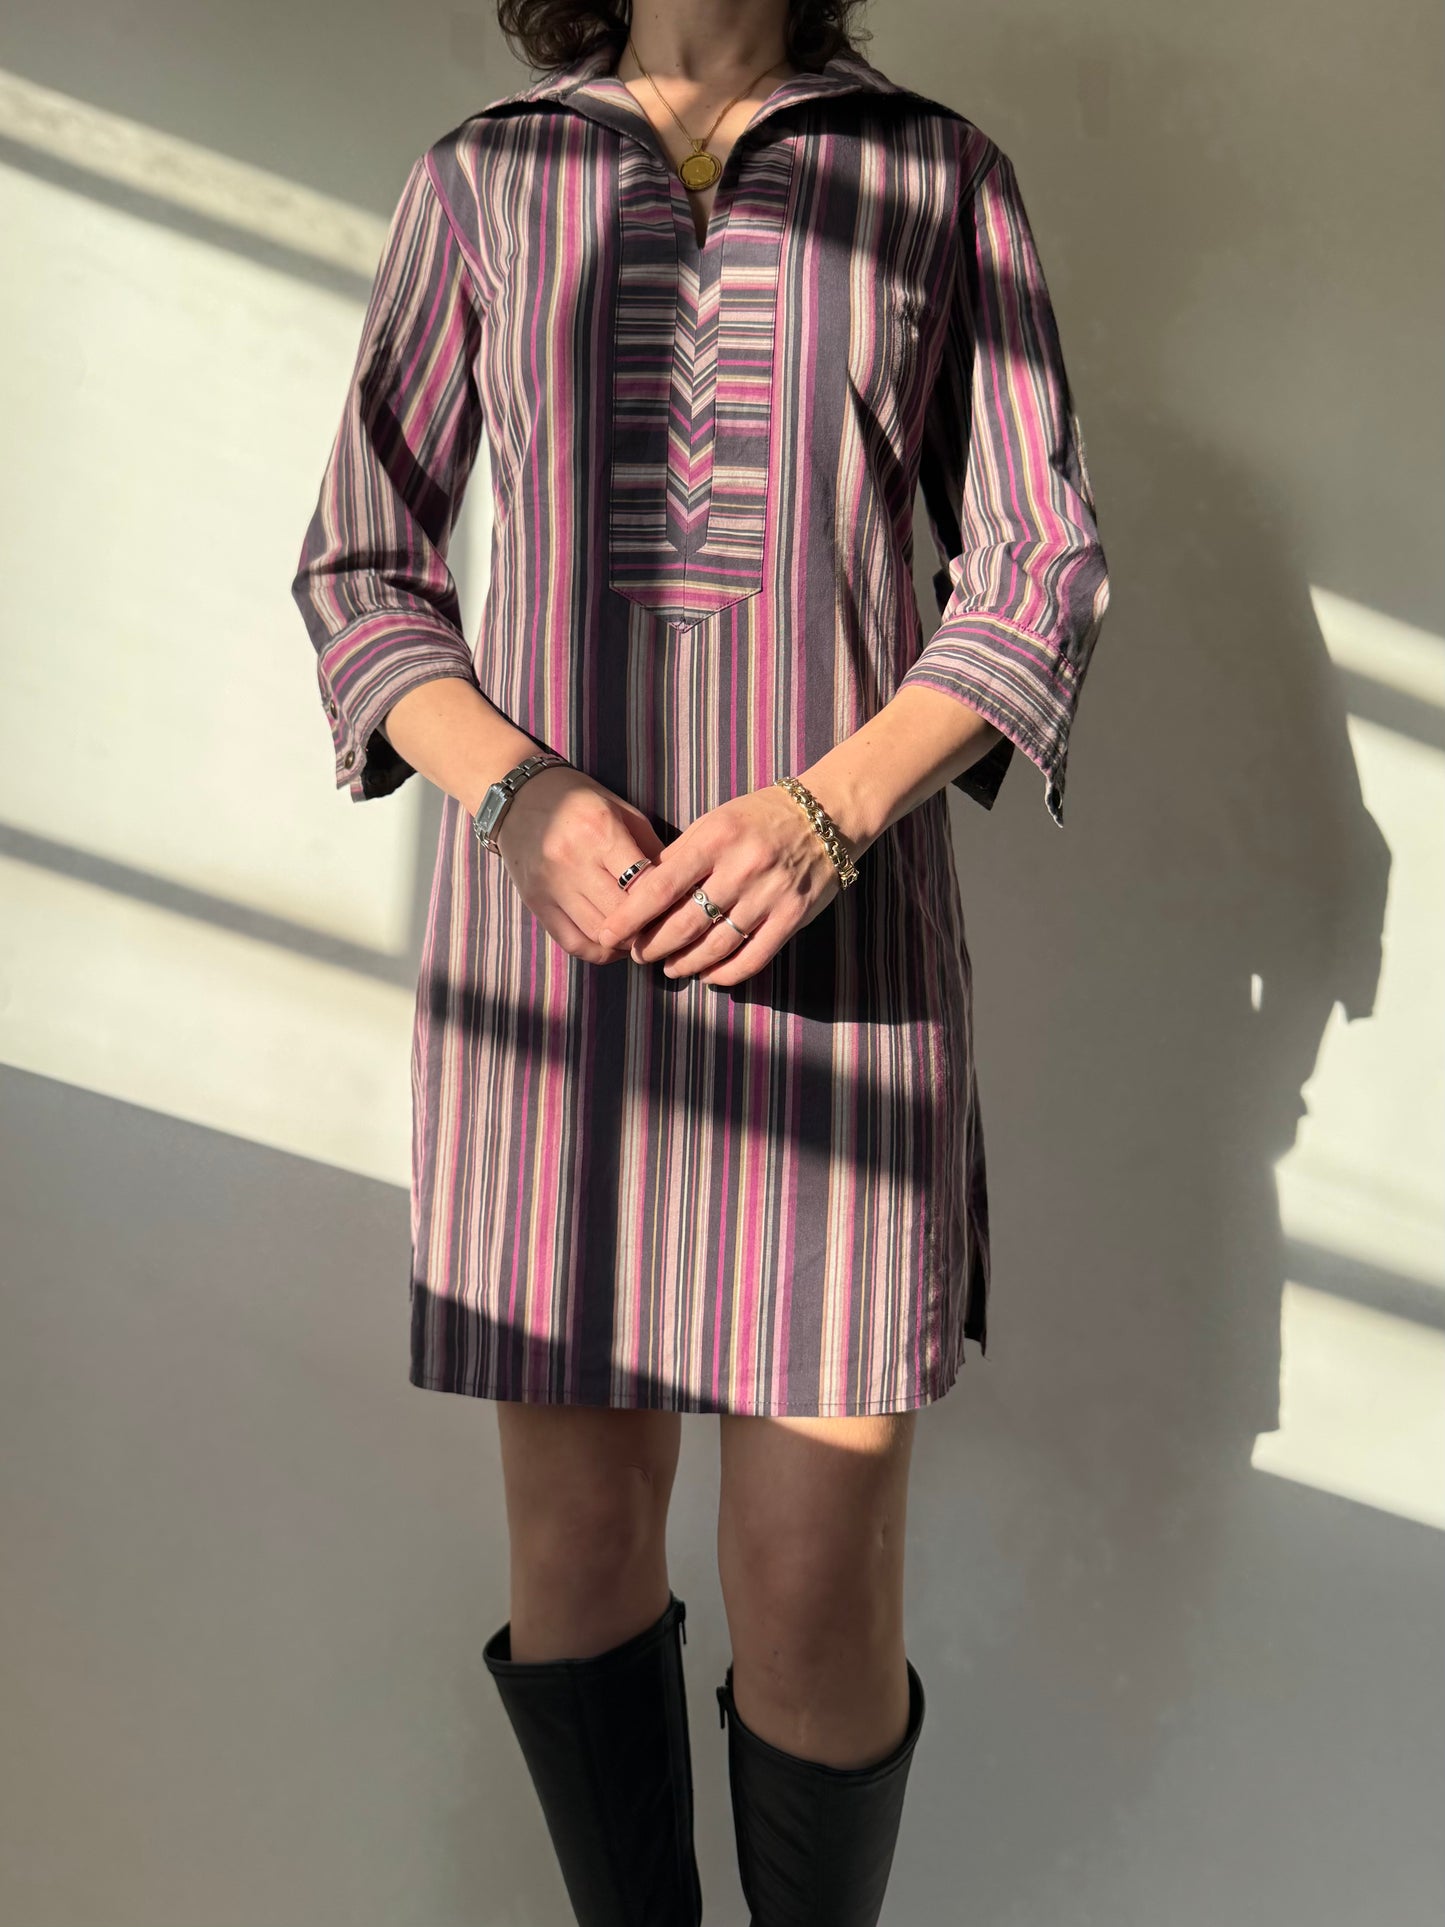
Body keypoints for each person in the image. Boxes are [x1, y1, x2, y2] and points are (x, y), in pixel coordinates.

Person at [291, 0, 1109, 1919]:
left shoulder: (937, 177)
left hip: (841, 983)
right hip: (552, 987)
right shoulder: (484, 179)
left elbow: (1037, 567)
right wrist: (514, 797)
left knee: (813, 1587)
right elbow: (360, 564)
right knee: (577, 1558)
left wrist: (828, 813)